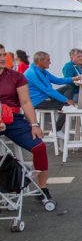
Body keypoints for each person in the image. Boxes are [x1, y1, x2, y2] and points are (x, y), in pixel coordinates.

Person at [0, 44, 52, 198]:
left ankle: (43, 188)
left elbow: (25, 102)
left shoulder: (16, 76)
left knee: (39, 147)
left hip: (13, 119)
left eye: (3, 55)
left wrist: (34, 125)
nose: (2, 58)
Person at [24, 51, 78, 137]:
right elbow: (48, 90)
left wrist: (75, 78)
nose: (50, 62)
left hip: (45, 97)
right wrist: (66, 100)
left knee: (68, 88)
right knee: (68, 107)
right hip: (37, 101)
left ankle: (66, 108)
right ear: (40, 61)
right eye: (48, 60)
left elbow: (58, 80)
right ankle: (56, 129)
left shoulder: (42, 71)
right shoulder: (33, 73)